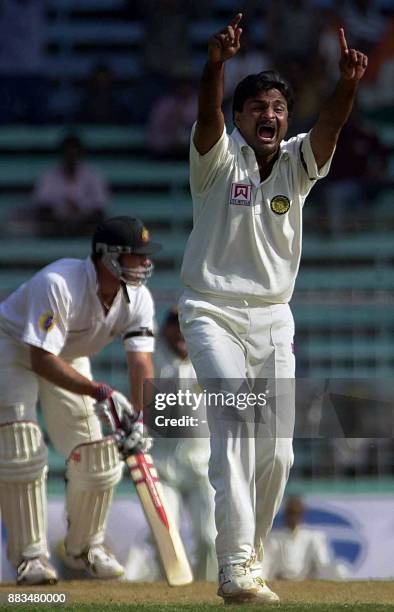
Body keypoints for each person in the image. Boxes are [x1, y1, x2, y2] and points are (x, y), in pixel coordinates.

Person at [178, 12, 368, 605]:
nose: (270, 114)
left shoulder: (295, 164)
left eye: (279, 108)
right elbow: (207, 115)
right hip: (210, 311)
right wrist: (216, 67)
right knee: (234, 425)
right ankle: (235, 566)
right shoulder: (216, 160)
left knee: (279, 450)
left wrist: (347, 85)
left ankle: (247, 558)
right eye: (257, 106)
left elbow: (331, 128)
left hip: (273, 317)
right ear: (240, 118)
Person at [0, 216, 161, 585]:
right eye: (135, 256)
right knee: (21, 443)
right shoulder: (58, 283)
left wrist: (138, 419)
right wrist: (97, 390)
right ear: (108, 258)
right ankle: (30, 557)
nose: (144, 264)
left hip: (67, 355)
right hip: (11, 346)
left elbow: (141, 361)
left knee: (98, 452)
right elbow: (40, 358)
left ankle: (85, 546)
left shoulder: (138, 298)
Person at [126, 308, 216, 581]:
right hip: (163, 468)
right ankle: (175, 593)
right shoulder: (152, 360)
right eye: (174, 325)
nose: (180, 332)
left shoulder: (207, 359)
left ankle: (206, 594)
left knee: (210, 539)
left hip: (203, 467)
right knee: (166, 539)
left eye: (185, 326)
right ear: (164, 330)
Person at [32, 134, 109, 236]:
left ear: (80, 154)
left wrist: (80, 210)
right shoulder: (49, 176)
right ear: (62, 154)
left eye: (74, 153)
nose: (71, 157)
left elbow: (100, 205)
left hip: (86, 222)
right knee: (42, 217)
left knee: (99, 218)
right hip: (57, 223)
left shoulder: (93, 176)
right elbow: (41, 203)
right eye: (68, 153)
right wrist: (63, 211)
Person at [262, 497, 348, 580]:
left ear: (302, 514)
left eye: (296, 512)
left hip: (306, 584)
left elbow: (323, 564)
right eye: (291, 512)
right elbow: (265, 565)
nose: (293, 516)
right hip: (280, 584)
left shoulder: (312, 537)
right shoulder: (274, 538)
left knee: (341, 570)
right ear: (286, 514)